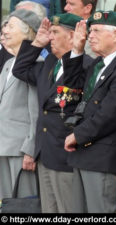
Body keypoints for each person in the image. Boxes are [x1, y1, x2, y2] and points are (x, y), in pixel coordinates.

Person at [12, 13, 91, 213]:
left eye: (55, 32)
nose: (51, 37)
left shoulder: (87, 64)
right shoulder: (50, 64)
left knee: (68, 209)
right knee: (49, 210)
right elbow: (19, 70)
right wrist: (37, 42)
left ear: (73, 35)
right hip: (45, 151)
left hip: (66, 154)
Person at [64, 10, 116, 213]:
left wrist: (78, 134)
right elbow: (72, 87)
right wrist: (77, 50)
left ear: (115, 35)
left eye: (96, 31)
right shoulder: (99, 62)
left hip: (102, 155)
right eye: (90, 31)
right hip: (83, 151)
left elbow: (111, 113)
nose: (90, 36)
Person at [0, 9, 40, 202]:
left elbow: (35, 111)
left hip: (20, 149)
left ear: (27, 32)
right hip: (3, 144)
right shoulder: (8, 65)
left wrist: (30, 149)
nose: (4, 30)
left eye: (10, 26)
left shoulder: (35, 64)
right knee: (6, 203)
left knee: (24, 204)